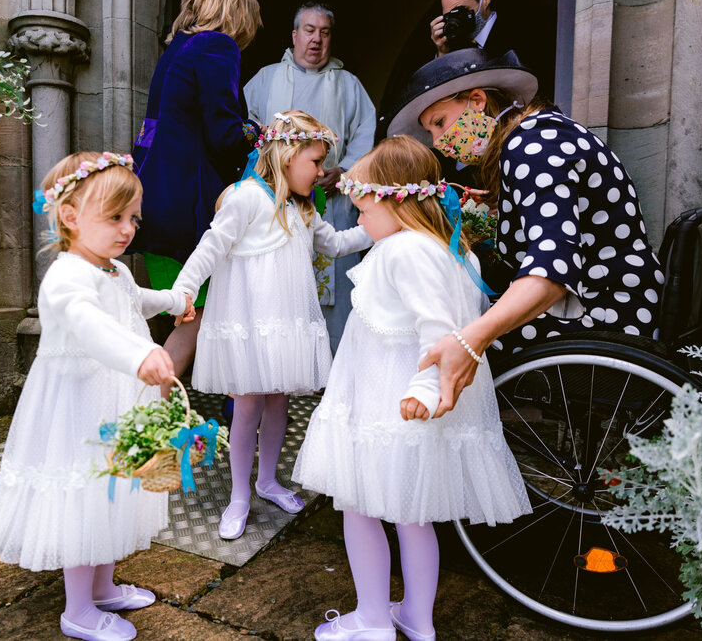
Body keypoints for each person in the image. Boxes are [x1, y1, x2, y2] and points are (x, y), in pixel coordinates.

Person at [292, 136, 530, 641]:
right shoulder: (446, 248)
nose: (358, 222)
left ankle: (373, 619)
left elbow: (440, 331)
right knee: (412, 515)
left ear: (394, 199)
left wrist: (423, 388)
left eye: (362, 210)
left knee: (358, 506)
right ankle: (416, 619)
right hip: (395, 401)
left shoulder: (404, 251)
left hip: (389, 404)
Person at [0, 152, 194, 641]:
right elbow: (91, 326)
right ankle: (78, 610)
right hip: (79, 403)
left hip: (114, 399)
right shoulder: (68, 275)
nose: (128, 228)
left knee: (111, 492)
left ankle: (104, 586)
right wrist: (140, 354)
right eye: (114, 217)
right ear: (70, 217)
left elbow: (138, 300)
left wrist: (176, 300)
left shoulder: (113, 269)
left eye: (132, 217)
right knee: (85, 493)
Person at [385, 47, 665, 418]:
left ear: (477, 101)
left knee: (446, 332)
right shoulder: (542, 134)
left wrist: (472, 340)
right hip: (613, 299)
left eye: (439, 122)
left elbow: (553, 266)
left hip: (602, 313)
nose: (437, 142)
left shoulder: (531, 146)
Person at [172, 111, 372, 540]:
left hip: (286, 325)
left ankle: (268, 480)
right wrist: (185, 288)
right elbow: (212, 246)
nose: (321, 173)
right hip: (250, 322)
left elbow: (334, 244)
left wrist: (378, 229)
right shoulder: (246, 197)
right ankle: (239, 495)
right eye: (315, 162)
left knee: (279, 400)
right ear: (287, 155)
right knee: (248, 406)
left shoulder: (304, 207)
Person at [129, 0, 263, 392]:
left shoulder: (177, 50)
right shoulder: (216, 45)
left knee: (183, 311)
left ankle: (152, 407)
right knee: (196, 313)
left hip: (156, 199)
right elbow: (224, 134)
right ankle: (144, 414)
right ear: (239, 15)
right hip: (187, 205)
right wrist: (258, 131)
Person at [244, 2, 376, 352]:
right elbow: (247, 129)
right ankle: (283, 362)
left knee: (335, 281)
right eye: (309, 30)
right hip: (276, 202)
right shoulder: (265, 79)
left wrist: (345, 169)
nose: (316, 39)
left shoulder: (349, 85)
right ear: (294, 35)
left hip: (333, 198)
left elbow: (365, 134)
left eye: (325, 32)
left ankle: (332, 368)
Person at [430, 0, 507, 58]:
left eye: (462, 13)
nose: (457, 21)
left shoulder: (515, 33)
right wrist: (443, 54)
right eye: (450, 16)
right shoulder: (452, 46)